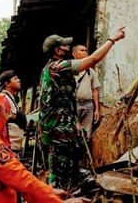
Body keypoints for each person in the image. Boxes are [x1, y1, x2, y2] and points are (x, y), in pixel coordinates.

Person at [0, 89, 88, 203]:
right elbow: (20, 180)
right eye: (0, 106)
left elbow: (20, 178)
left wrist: (48, 191)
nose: (5, 108)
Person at [38, 27, 126, 190]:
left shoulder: (49, 68)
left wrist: (74, 121)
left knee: (65, 164)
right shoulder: (58, 67)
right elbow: (94, 59)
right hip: (58, 128)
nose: (67, 48)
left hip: (62, 125)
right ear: (57, 50)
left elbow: (64, 99)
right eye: (64, 46)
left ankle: (67, 189)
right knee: (60, 168)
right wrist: (113, 39)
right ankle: (58, 194)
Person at [72, 45, 101, 139]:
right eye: (82, 50)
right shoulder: (69, 70)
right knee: (73, 132)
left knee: (87, 133)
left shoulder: (90, 71)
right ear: (74, 54)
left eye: (86, 50)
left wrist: (97, 109)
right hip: (73, 105)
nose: (85, 52)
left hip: (88, 105)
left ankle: (84, 152)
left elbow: (95, 90)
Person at [0, 70, 27, 155]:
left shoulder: (11, 99)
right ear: (7, 83)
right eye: (15, 79)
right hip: (6, 146)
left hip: (13, 146)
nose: (19, 80)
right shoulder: (3, 99)